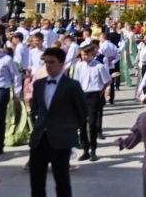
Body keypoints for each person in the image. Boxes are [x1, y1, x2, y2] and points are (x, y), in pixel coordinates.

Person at [29, 48, 88, 197]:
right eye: (46, 62)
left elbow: (82, 112)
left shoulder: (72, 85)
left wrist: (69, 127)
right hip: (39, 138)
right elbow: (36, 109)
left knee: (62, 181)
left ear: (61, 64)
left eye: (52, 62)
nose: (48, 65)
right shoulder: (39, 84)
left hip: (61, 139)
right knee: (36, 181)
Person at [73, 44, 111, 162]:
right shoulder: (79, 66)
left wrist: (102, 91)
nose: (84, 57)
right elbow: (76, 81)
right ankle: (85, 150)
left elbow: (107, 80)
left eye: (87, 55)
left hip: (94, 95)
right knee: (82, 124)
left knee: (92, 123)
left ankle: (93, 149)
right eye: (83, 54)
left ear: (92, 54)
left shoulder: (99, 66)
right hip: (82, 95)